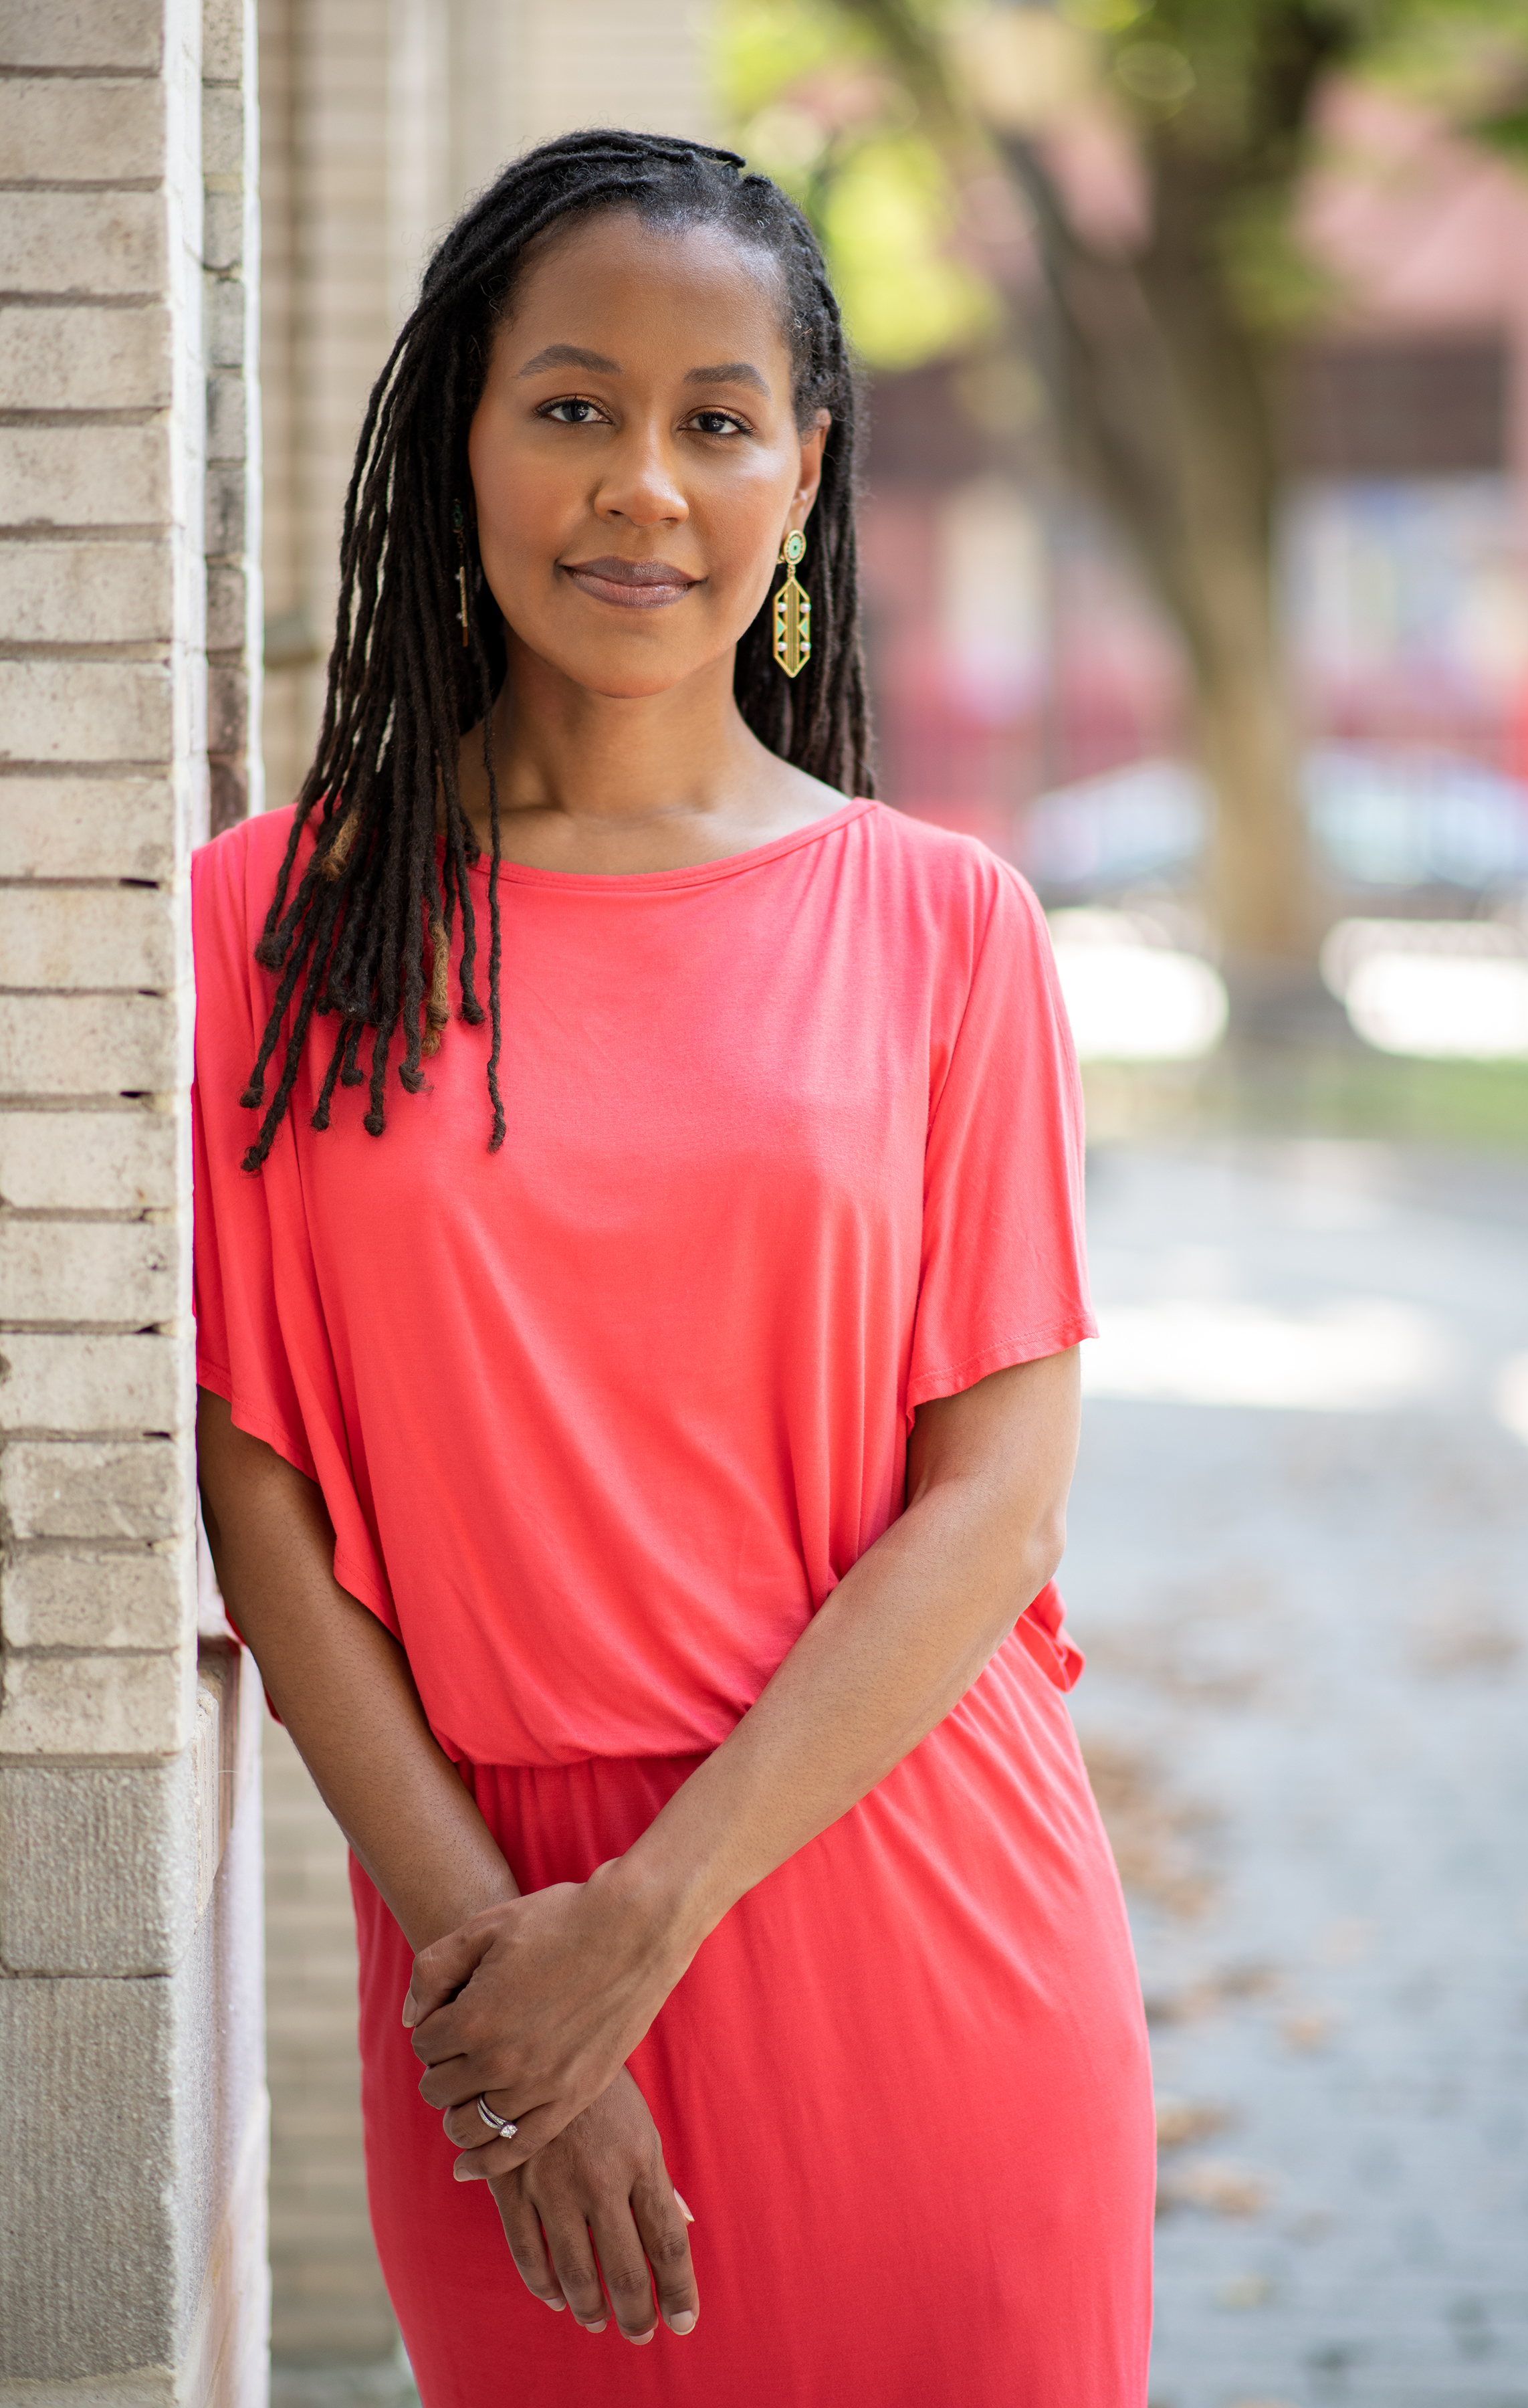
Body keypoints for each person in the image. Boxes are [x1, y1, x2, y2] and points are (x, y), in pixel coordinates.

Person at [193, 130, 1154, 2407]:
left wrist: (643, 1925)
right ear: (464, 439)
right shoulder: (267, 924)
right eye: (573, 406)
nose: (644, 484)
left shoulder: (946, 927)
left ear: (802, 479)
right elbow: (259, 1493)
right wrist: (512, 1977)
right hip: (489, 1952)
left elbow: (995, 1505)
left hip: (905, 1894)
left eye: (717, 421)